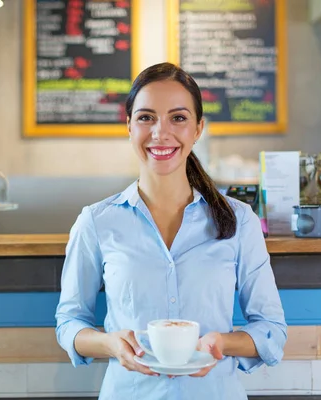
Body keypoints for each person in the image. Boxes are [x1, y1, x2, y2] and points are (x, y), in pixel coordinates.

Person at [55, 62, 287, 400]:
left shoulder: (240, 221)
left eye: (178, 118)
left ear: (198, 129)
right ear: (129, 127)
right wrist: (109, 343)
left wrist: (221, 342)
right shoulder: (96, 222)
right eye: (146, 117)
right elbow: (69, 322)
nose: (161, 133)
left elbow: (272, 329)